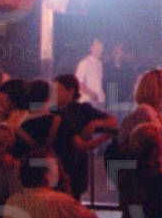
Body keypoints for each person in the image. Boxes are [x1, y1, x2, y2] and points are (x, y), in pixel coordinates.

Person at [45, 73, 117, 203]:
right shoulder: (51, 111)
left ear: (71, 91)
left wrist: (95, 123)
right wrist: (104, 136)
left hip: (74, 168)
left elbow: (112, 121)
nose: (54, 94)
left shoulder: (82, 109)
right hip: (58, 166)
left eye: (58, 90)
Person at [74, 39, 107, 111]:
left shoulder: (100, 63)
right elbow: (78, 83)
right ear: (91, 47)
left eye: (101, 46)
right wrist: (91, 93)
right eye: (98, 45)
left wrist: (101, 97)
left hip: (100, 100)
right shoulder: (84, 63)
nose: (101, 48)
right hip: (88, 101)